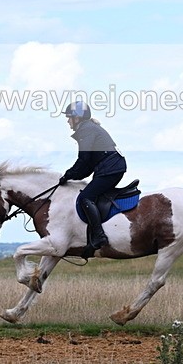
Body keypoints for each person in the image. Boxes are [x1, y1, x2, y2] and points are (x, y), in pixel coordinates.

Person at [58, 101, 126, 256]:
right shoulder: (88, 128)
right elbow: (87, 166)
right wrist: (72, 177)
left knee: (85, 198)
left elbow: (83, 159)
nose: (68, 121)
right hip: (111, 168)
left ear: (78, 118)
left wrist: (69, 174)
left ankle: (99, 236)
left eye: (69, 118)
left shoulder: (86, 129)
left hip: (110, 169)